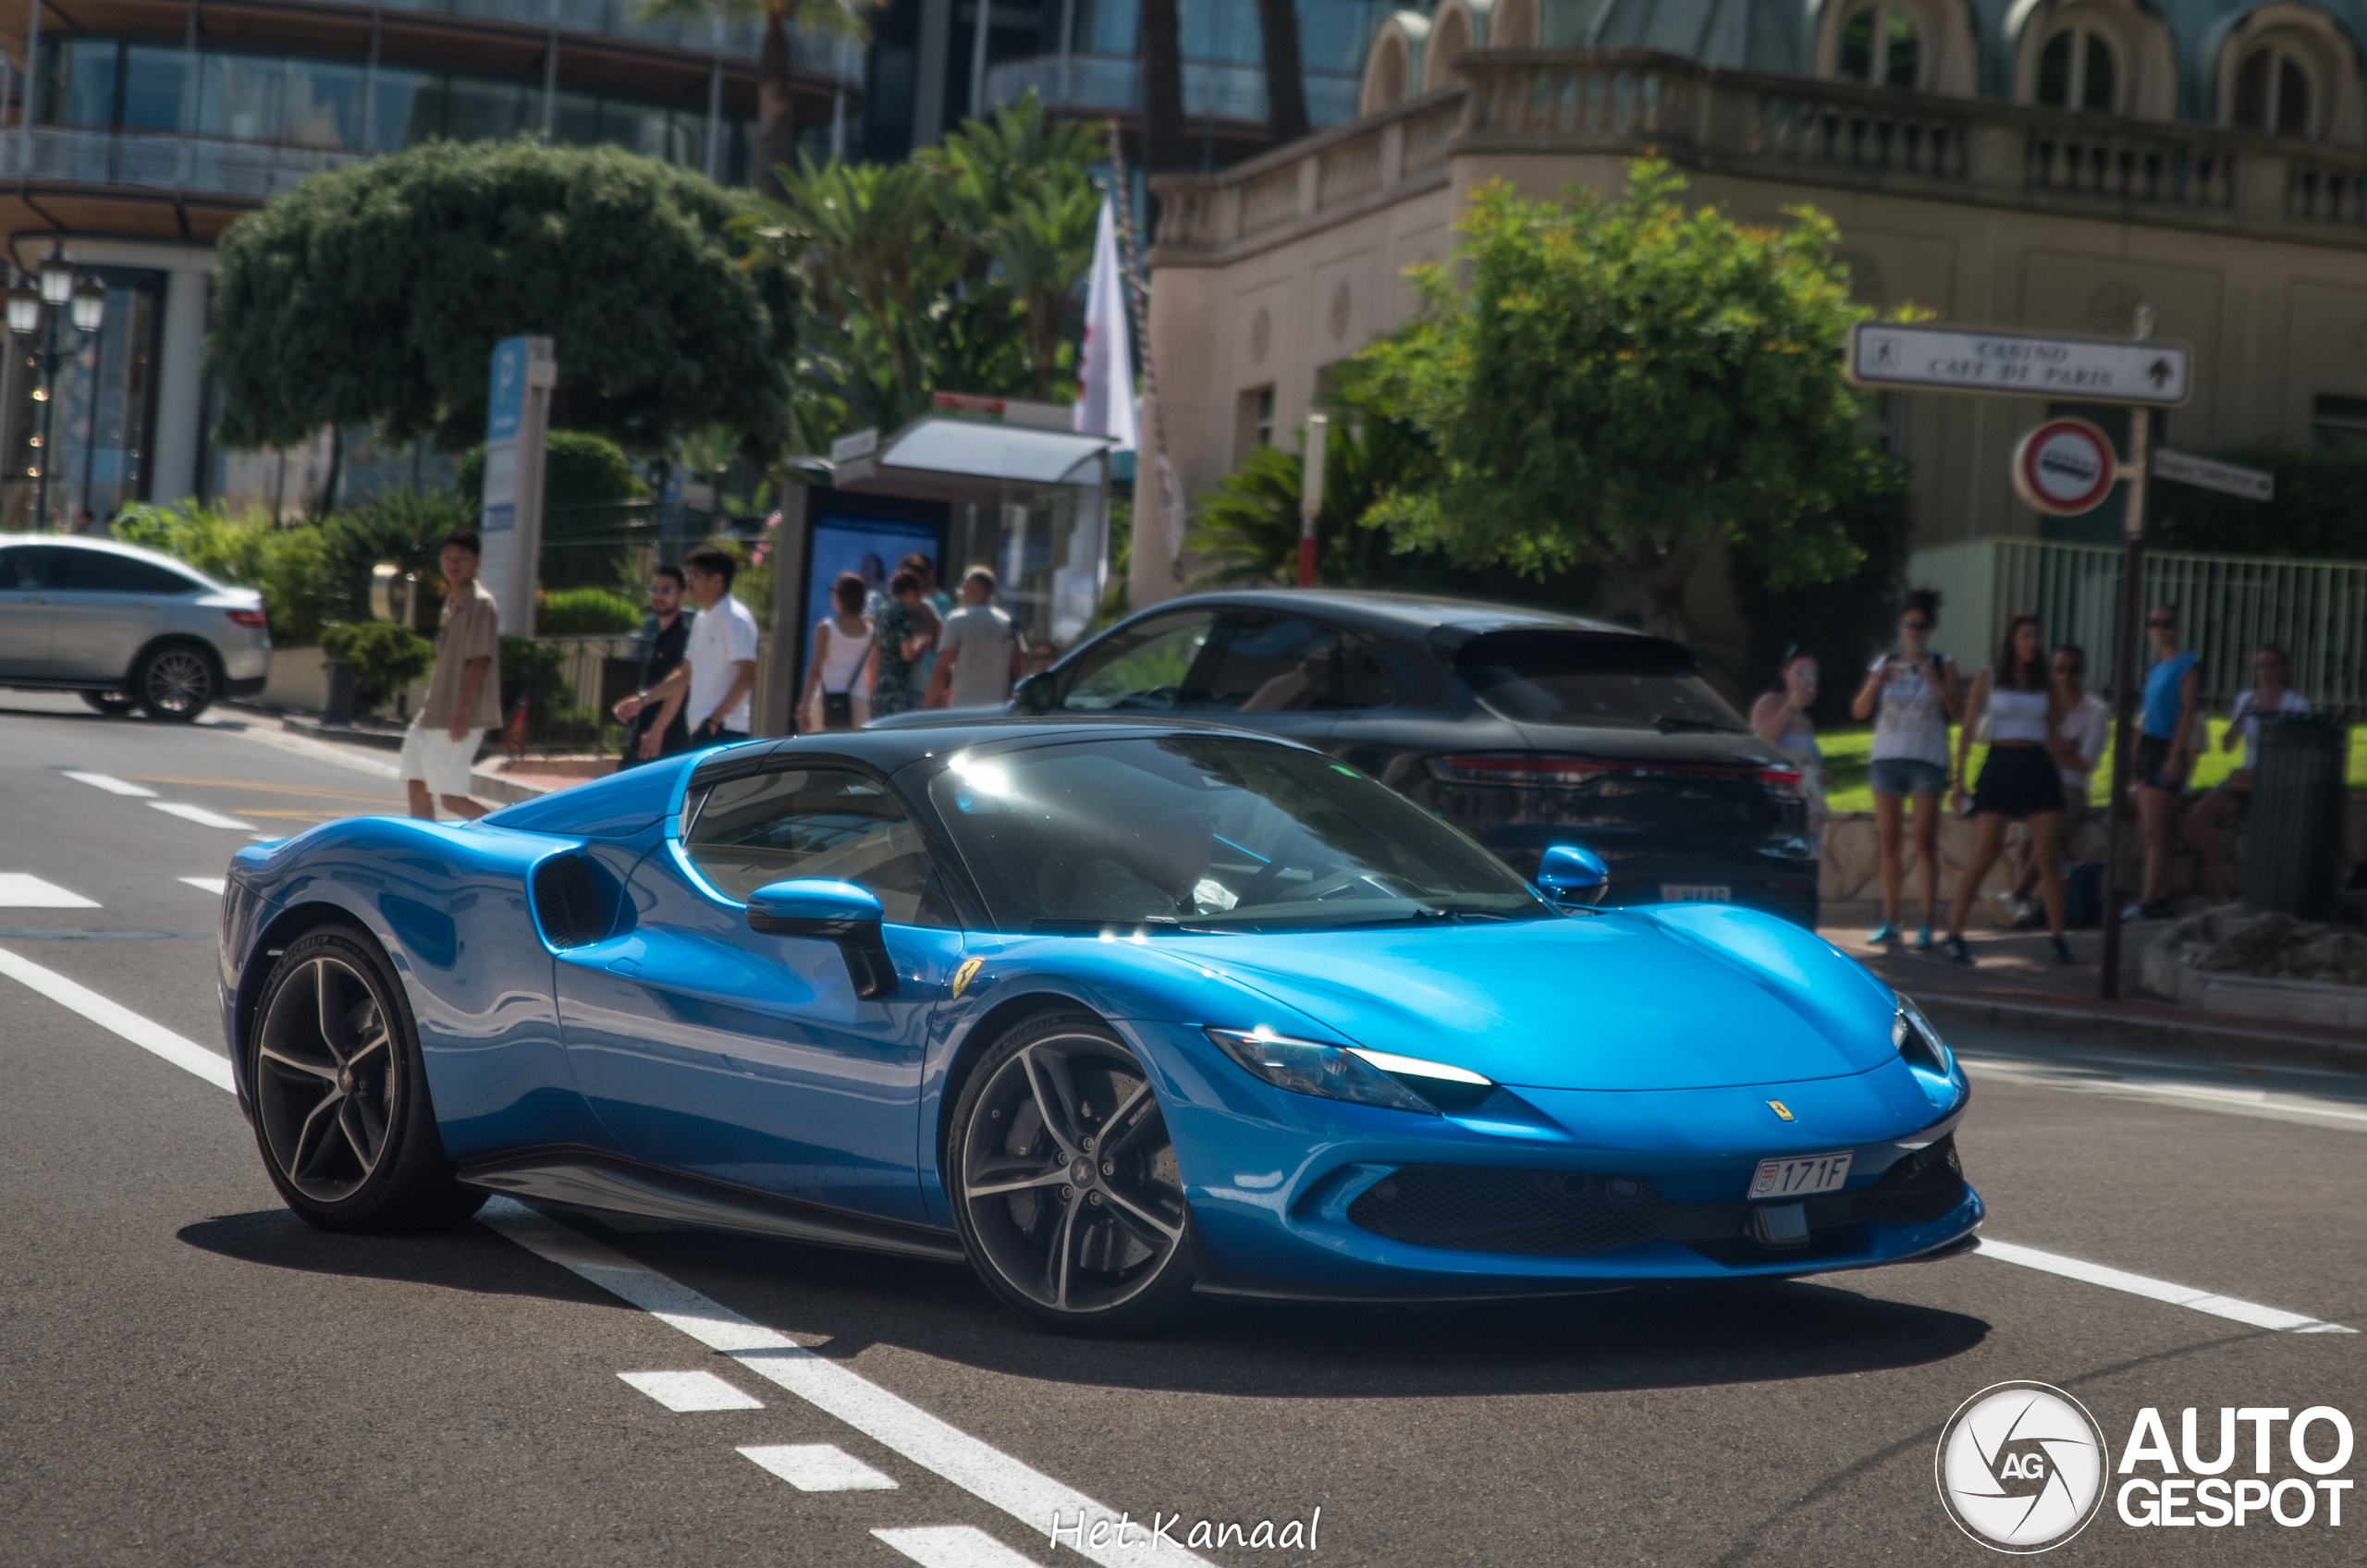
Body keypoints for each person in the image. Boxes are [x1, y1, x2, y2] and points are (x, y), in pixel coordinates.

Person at [1943, 614, 2072, 966]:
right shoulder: (1990, 676)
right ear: (2013, 639)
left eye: (2036, 636)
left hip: (2036, 764)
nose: (2032, 642)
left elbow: (2054, 732)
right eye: (2026, 635)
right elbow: (1968, 728)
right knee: (1986, 853)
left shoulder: (2045, 681)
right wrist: (1959, 779)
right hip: (2000, 762)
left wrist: (2059, 775)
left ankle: (2059, 939)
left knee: (2047, 856)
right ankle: (1954, 934)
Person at [1851, 589, 1960, 949]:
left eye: (1920, 626)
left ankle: (1928, 922)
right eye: (1909, 625)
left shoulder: (1943, 662)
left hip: (1926, 760)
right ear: (1901, 627)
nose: (1914, 632)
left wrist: (1937, 682)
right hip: (1887, 758)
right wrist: (1875, 681)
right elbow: (1859, 711)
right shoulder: (1884, 663)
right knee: (1889, 842)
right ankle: (1890, 919)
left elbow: (1958, 713)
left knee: (1925, 843)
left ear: (1929, 628)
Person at [2185, 644, 2310, 903]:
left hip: (2278, 781)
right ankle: (2222, 893)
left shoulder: (2296, 704)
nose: (2265, 671)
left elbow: (2300, 750)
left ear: (2283, 668)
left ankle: (2275, 894)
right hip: (2246, 779)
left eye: (2271, 665)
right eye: (2260, 666)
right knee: (2200, 814)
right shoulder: (2246, 700)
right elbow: (2228, 746)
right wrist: (2242, 715)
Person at [1996, 643, 2108, 925]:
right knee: (2025, 840)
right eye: (2060, 669)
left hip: (2071, 790)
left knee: (2044, 839)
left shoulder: (2097, 711)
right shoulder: (2042, 706)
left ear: (2083, 671)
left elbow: (2086, 762)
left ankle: (2017, 895)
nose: (2066, 675)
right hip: (2037, 783)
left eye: (2072, 669)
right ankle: (2021, 910)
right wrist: (2065, 748)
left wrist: (2052, 750)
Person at [400, 531, 500, 821]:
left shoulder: (481, 604)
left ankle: (512, 834)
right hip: (433, 713)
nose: (453, 564)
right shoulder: (451, 603)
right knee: (416, 784)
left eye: (462, 558)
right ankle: (423, 855)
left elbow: (479, 661)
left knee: (451, 799)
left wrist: (463, 711)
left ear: (477, 561)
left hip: (459, 717)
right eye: (448, 557)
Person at [631, 545, 759, 751]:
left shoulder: (735, 618)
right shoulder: (701, 618)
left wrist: (714, 721)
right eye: (688, 573)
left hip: (724, 731)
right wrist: (642, 700)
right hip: (700, 731)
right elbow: (685, 674)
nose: (687, 579)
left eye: (695, 574)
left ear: (717, 579)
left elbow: (747, 676)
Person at [2126, 604, 2201, 923]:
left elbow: (2188, 711)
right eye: (2154, 623)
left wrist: (2175, 756)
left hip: (2167, 746)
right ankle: (2159, 896)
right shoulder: (2154, 669)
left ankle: (2147, 901)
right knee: (2153, 832)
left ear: (2176, 627)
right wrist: (2134, 757)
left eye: (2166, 623)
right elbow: (2145, 717)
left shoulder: (2187, 664)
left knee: (2156, 831)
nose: (2160, 628)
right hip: (2148, 745)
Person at [1749, 645, 1832, 856]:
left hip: (1806, 805)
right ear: (1785, 673)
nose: (1807, 678)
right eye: (1801, 671)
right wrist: (1790, 708)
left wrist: (1820, 774)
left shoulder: (1806, 720)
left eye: (1812, 673)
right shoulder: (1771, 702)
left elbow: (1805, 760)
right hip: (1779, 799)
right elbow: (1761, 743)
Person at [608, 565, 693, 767]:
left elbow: (679, 685)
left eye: (666, 590)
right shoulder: (655, 632)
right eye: (654, 589)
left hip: (666, 739)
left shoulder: (683, 636)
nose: (658, 595)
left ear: (682, 595)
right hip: (644, 734)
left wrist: (657, 730)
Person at [926, 566, 1024, 712]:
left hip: (963, 707)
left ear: (971, 589)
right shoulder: (1008, 623)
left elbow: (942, 668)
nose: (962, 595)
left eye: (963, 590)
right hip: (997, 709)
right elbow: (1019, 669)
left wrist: (927, 705)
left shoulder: (956, 620)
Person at [797, 571, 874, 731]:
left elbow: (814, 671)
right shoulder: (872, 633)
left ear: (838, 596)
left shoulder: (826, 628)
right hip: (861, 701)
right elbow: (873, 675)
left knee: (822, 752)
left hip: (827, 700)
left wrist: (803, 705)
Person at [866, 568, 935, 719]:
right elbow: (908, 654)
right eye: (918, 596)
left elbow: (876, 652)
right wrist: (918, 643)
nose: (918, 603)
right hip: (898, 690)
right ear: (910, 592)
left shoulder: (882, 609)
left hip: (880, 688)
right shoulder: (900, 612)